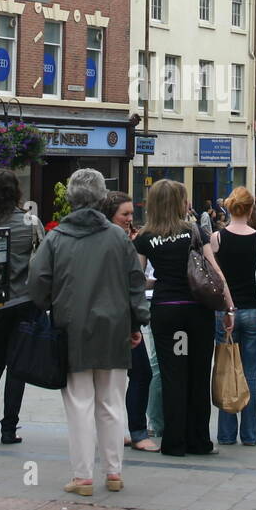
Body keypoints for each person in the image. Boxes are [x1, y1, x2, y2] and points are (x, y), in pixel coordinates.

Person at [28, 169, 147, 496]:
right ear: (100, 199)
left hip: (72, 328)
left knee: (79, 402)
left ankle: (82, 476)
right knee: (111, 401)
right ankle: (114, 473)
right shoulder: (117, 237)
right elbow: (135, 282)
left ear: (71, 199)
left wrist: (52, 305)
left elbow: (37, 283)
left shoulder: (56, 237)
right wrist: (136, 322)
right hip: (115, 328)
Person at [133, 180, 228, 457]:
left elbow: (138, 280)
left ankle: (174, 442)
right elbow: (215, 272)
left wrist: (156, 283)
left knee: (172, 376)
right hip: (196, 312)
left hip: (166, 311)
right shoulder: (194, 231)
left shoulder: (145, 236)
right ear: (180, 202)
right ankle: (199, 440)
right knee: (198, 374)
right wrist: (228, 308)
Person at [0, 168, 43, 444]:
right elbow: (41, 262)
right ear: (17, 191)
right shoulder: (30, 221)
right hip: (25, 301)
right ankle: (8, 428)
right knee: (17, 365)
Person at [211, 186, 256, 446]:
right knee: (251, 374)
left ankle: (225, 434)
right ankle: (250, 434)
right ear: (252, 208)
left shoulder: (217, 238)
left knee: (226, 369)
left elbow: (213, 276)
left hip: (226, 312)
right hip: (255, 309)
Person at [105, 190, 158, 452]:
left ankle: (117, 431)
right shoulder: (116, 242)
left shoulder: (123, 239)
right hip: (118, 318)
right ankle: (136, 432)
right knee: (139, 373)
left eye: (131, 214)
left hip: (122, 318)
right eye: (124, 214)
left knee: (121, 378)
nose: (129, 219)